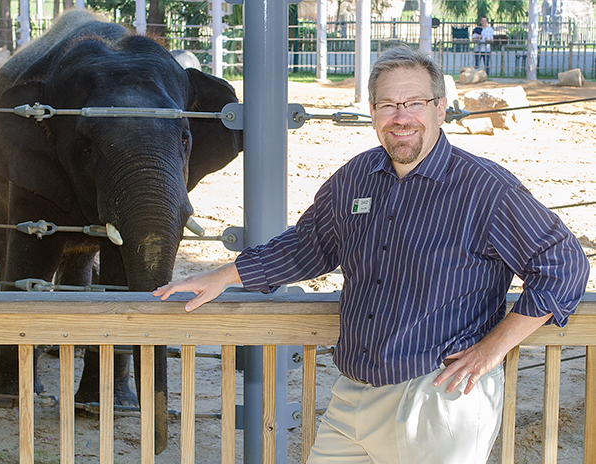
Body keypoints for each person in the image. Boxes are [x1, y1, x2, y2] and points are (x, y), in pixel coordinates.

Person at [154, 46, 589, 463]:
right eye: (387, 106)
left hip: (436, 395)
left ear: (441, 109)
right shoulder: (357, 176)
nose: (401, 118)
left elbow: (564, 264)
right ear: (373, 114)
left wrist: (493, 349)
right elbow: (309, 244)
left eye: (414, 102)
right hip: (352, 392)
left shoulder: (485, 189)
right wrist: (225, 275)